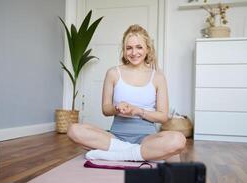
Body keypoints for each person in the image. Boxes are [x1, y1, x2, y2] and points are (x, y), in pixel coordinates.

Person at [67, 24, 186, 161]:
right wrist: (117, 108)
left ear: (148, 49)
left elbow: (163, 116)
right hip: (115, 137)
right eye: (129, 48)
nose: (134, 53)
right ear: (123, 51)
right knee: (73, 130)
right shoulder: (113, 73)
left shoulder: (158, 77)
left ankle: (118, 154)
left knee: (178, 140)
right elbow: (106, 109)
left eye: (139, 47)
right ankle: (139, 154)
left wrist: (138, 111)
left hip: (147, 139)